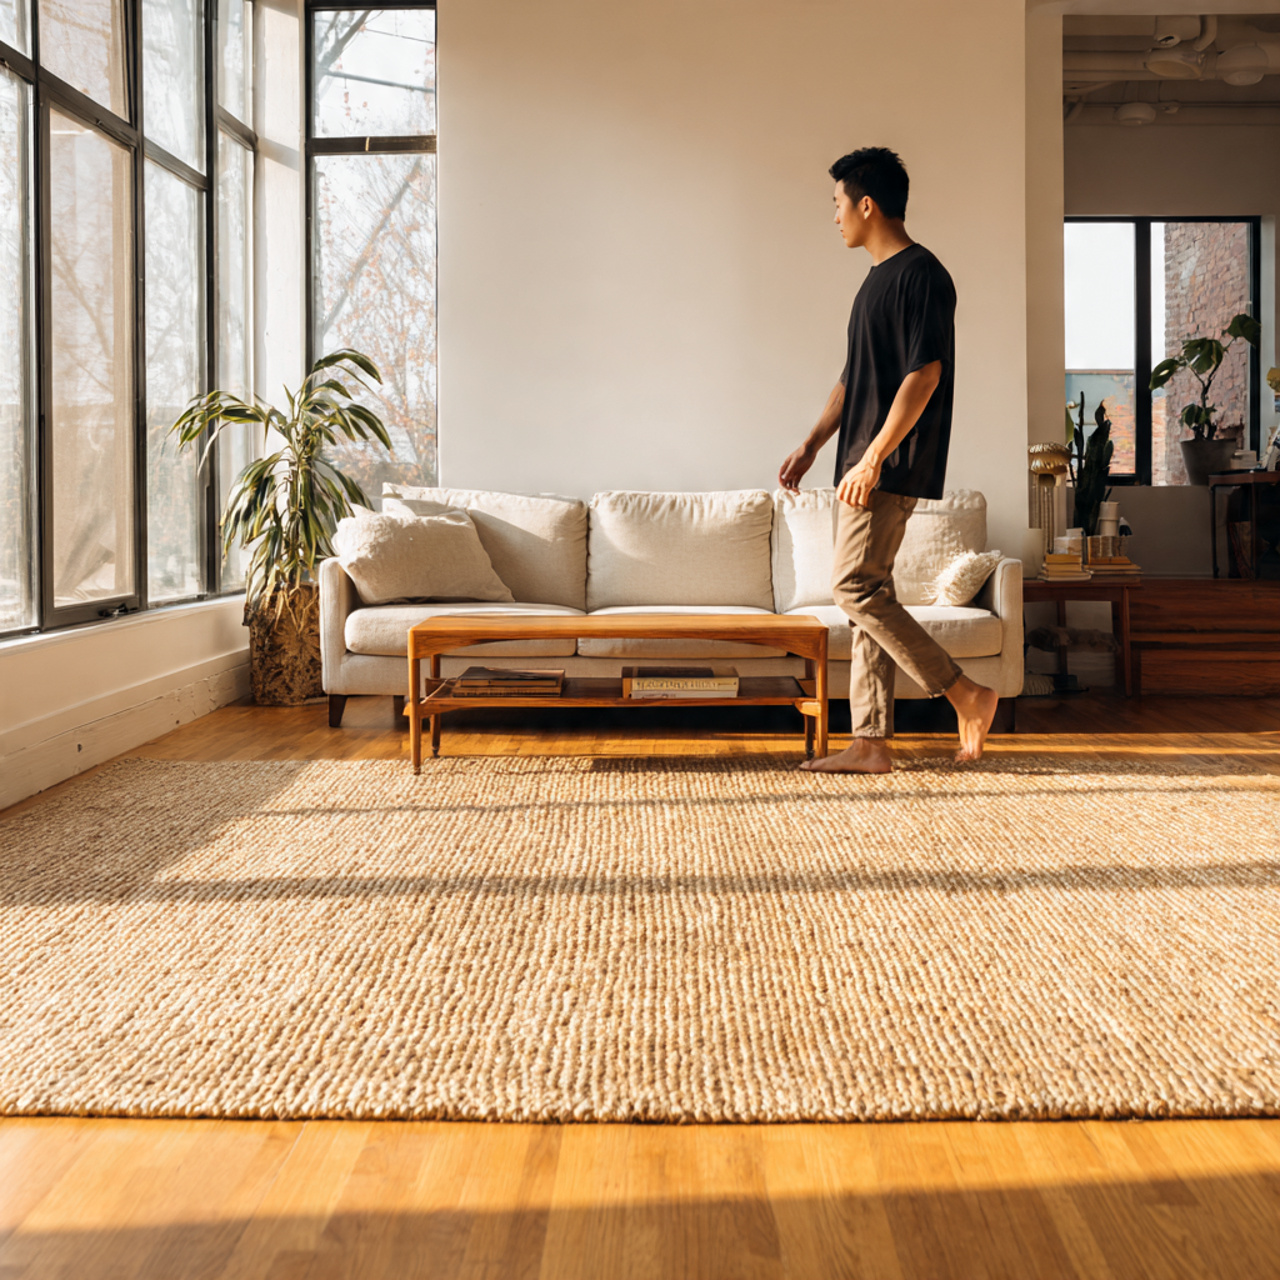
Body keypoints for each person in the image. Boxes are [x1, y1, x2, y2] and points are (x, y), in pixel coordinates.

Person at [778, 146, 997, 773]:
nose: (836, 217)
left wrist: (875, 456)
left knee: (852, 587)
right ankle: (871, 742)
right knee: (871, 588)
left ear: (865, 203)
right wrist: (813, 444)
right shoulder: (873, 283)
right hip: (859, 462)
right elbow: (854, 381)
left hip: (887, 464)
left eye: (838, 204)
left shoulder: (922, 274)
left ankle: (966, 693)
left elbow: (923, 376)